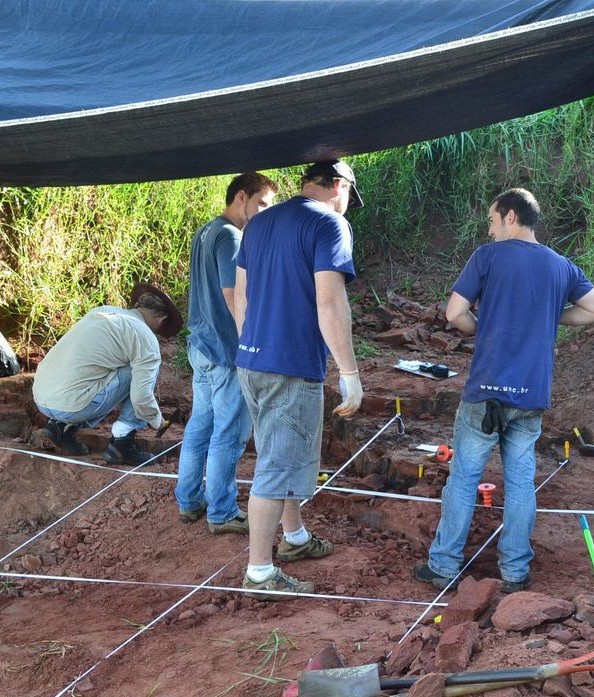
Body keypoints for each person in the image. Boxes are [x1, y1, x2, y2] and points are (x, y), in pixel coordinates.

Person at [413, 188, 594, 593]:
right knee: (521, 482)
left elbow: (454, 312)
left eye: (491, 220)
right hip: (530, 395)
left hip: (485, 391)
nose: (489, 228)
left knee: (464, 478)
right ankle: (515, 572)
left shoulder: (487, 257)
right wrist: (551, 318)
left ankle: (444, 566)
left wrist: (481, 327)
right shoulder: (561, 267)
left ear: (509, 217)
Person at [234, 159, 364, 599]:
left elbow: (243, 297)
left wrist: (249, 346)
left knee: (281, 453)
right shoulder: (329, 225)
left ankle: (295, 538)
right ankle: (259, 572)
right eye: (348, 196)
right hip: (290, 365)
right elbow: (330, 303)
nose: (346, 205)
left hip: (251, 359)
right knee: (275, 467)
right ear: (338, 186)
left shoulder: (259, 223)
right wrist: (349, 372)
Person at [175, 172, 277, 535]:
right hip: (223, 350)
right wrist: (248, 346)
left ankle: (189, 501)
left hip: (200, 345)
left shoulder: (205, 231)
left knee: (200, 425)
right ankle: (222, 512)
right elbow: (233, 294)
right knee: (229, 432)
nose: (265, 212)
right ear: (241, 197)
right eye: (262, 203)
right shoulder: (232, 237)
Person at [33, 283, 183, 465]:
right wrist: (157, 420)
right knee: (138, 372)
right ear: (162, 320)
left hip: (41, 397)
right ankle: (122, 444)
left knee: (96, 370)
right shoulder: (145, 337)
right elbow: (141, 397)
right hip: (70, 406)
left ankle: (59, 429)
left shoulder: (104, 312)